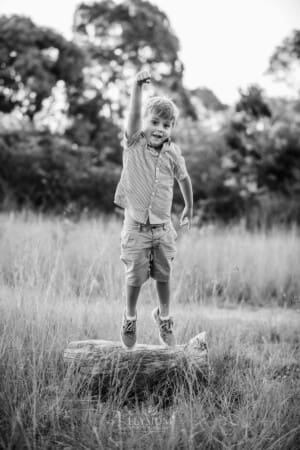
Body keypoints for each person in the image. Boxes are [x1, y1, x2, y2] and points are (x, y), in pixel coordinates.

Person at [114, 69, 193, 349]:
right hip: (135, 228)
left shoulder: (173, 152)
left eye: (167, 125)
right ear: (145, 123)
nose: (160, 129)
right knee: (135, 277)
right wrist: (136, 87)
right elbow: (133, 115)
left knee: (164, 275)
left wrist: (188, 207)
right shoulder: (134, 144)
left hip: (163, 228)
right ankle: (130, 316)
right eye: (155, 122)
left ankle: (164, 316)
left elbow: (184, 178)